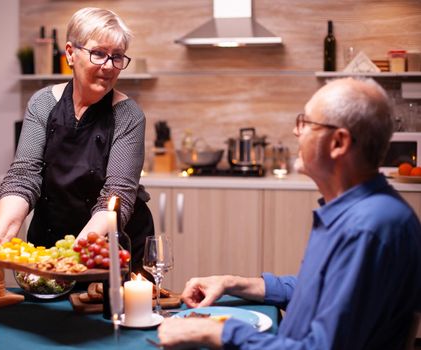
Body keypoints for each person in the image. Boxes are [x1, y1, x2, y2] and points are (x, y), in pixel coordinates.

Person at [158, 78, 421, 349]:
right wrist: (231, 283)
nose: (297, 132)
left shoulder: (367, 229)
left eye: (306, 123)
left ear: (338, 143)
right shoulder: (356, 214)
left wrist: (218, 332)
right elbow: (318, 293)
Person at [0, 7, 153, 273]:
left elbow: (117, 195)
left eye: (117, 57)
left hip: (109, 248)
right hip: (48, 242)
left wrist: (78, 251)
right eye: (98, 53)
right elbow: (23, 176)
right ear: (70, 53)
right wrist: (2, 231)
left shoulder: (128, 115)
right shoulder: (43, 103)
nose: (109, 66)